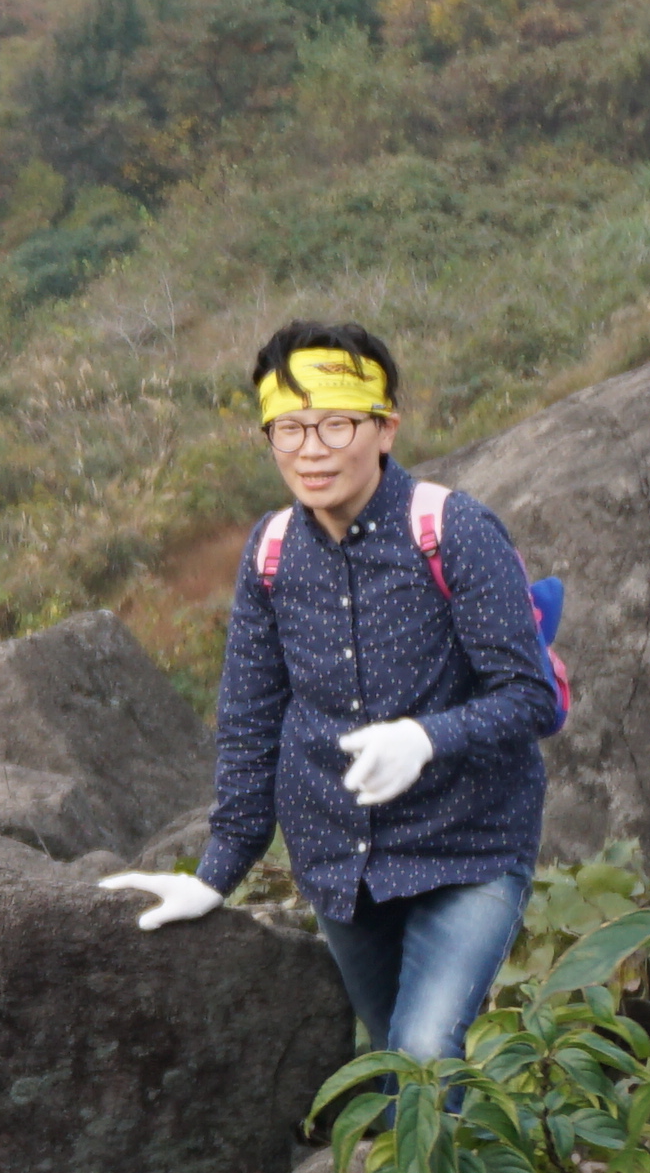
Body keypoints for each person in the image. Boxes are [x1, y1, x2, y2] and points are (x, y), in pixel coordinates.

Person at [101, 319, 564, 1065]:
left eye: (336, 424)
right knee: (388, 1057)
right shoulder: (272, 550)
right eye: (288, 429)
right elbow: (251, 721)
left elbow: (530, 696)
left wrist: (425, 738)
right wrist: (216, 875)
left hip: (466, 848)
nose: (311, 449)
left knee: (421, 1049)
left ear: (385, 429)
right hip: (339, 860)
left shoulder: (452, 530)